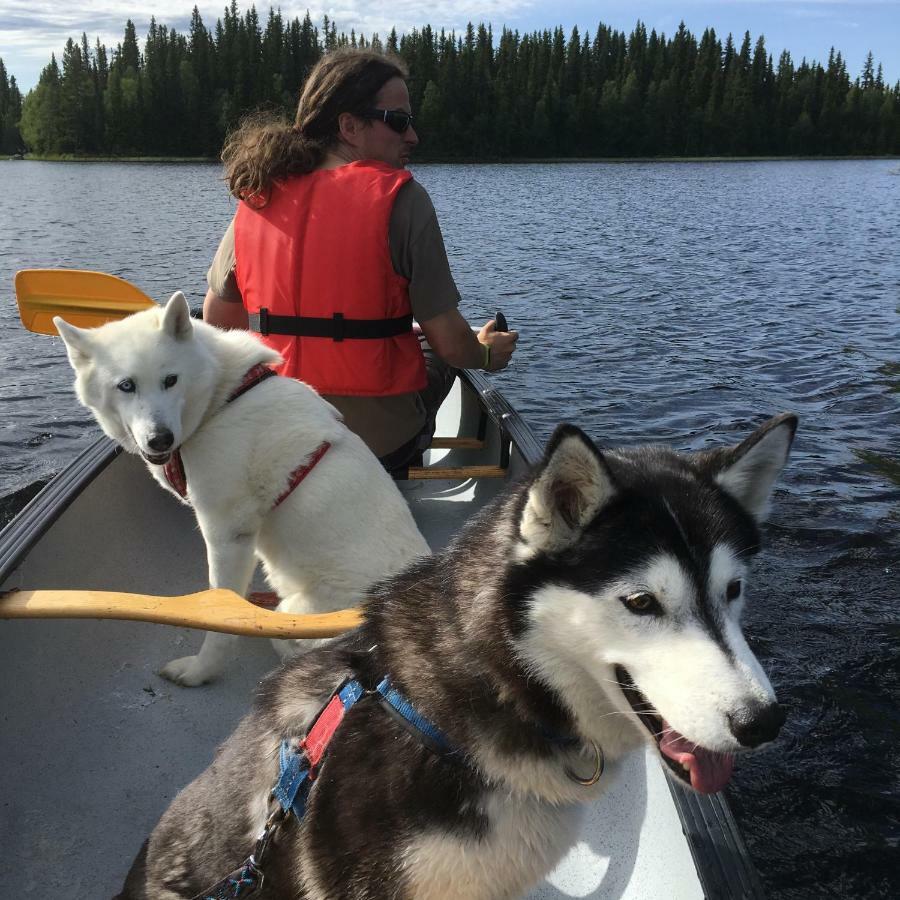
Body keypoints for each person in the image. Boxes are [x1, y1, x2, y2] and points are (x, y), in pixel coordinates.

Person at [204, 48, 518, 472]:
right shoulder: (405, 199)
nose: (413, 137)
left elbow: (219, 323)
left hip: (277, 437)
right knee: (441, 353)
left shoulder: (258, 196)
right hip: (376, 448)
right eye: (400, 121)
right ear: (349, 126)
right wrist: (485, 356)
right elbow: (450, 342)